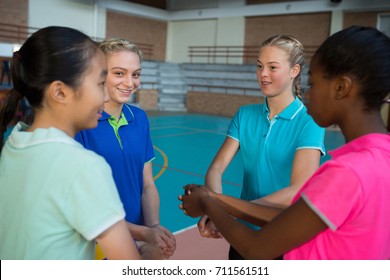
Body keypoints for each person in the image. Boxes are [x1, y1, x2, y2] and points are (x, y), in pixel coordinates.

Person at [179, 25, 390, 260]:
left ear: (341, 87)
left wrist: (214, 204)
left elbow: (258, 247)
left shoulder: (346, 172)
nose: (308, 93)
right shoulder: (378, 158)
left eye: (313, 84)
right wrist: (218, 204)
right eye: (260, 66)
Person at [0, 26, 160, 260]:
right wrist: (149, 249)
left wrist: (148, 230)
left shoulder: (14, 142)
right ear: (61, 92)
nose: (104, 95)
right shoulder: (82, 166)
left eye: (135, 74)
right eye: (99, 83)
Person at [198, 35, 325, 259]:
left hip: (285, 236)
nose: (263, 74)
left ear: (294, 70)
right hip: (242, 234)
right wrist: (218, 209)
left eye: (272, 67)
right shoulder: (244, 115)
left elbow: (297, 190)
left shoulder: (309, 120)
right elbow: (216, 169)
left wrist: (226, 208)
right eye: (259, 66)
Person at [75, 38, 176, 259]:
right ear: (99, 74)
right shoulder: (81, 123)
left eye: (136, 74)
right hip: (94, 243)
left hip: (136, 239)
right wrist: (145, 233)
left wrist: (154, 228)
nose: (130, 83)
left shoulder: (139, 118)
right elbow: (83, 204)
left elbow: (147, 183)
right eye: (119, 73)